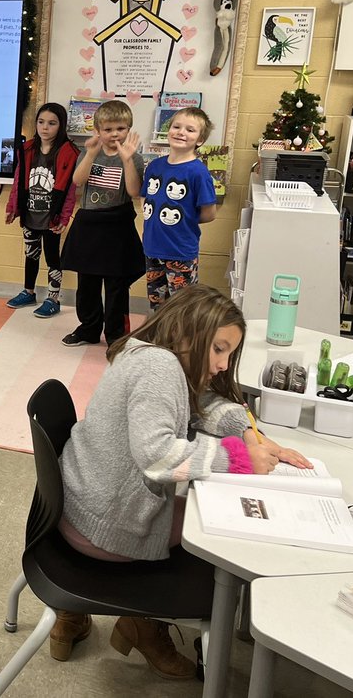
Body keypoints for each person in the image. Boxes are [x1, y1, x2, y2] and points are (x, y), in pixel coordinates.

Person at [49, 286, 311, 676]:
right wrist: (240, 461)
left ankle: (73, 614)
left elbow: (200, 404)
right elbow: (158, 458)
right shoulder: (160, 369)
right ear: (188, 334)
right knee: (222, 539)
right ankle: (145, 623)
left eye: (229, 353)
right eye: (218, 349)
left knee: (206, 508)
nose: (223, 365)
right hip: (107, 526)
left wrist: (248, 433)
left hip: (78, 506)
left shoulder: (143, 350)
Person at [59, 100, 146, 346]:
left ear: (128, 129)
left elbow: (133, 192)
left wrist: (128, 160)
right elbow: (77, 180)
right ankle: (88, 328)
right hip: (89, 225)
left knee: (117, 285)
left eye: (120, 128)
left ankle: (116, 335)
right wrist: (91, 153)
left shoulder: (134, 158)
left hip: (117, 226)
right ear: (98, 130)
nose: (114, 134)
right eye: (108, 129)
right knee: (86, 283)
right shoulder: (90, 153)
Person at [4, 102, 80, 317]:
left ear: (61, 125)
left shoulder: (69, 152)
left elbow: (70, 190)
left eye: (52, 123)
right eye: (41, 122)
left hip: (51, 218)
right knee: (31, 255)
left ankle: (53, 298)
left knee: (52, 258)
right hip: (30, 215)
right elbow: (19, 180)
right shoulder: (27, 149)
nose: (45, 127)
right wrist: (13, 207)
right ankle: (28, 292)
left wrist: (64, 217)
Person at [142, 108, 217, 311]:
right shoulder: (154, 167)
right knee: (157, 304)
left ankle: (181, 342)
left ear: (199, 140)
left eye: (190, 130)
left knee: (181, 307)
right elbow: (148, 201)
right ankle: (160, 339)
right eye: (176, 127)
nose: (181, 132)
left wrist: (184, 219)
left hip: (180, 251)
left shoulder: (198, 172)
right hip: (152, 248)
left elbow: (209, 214)